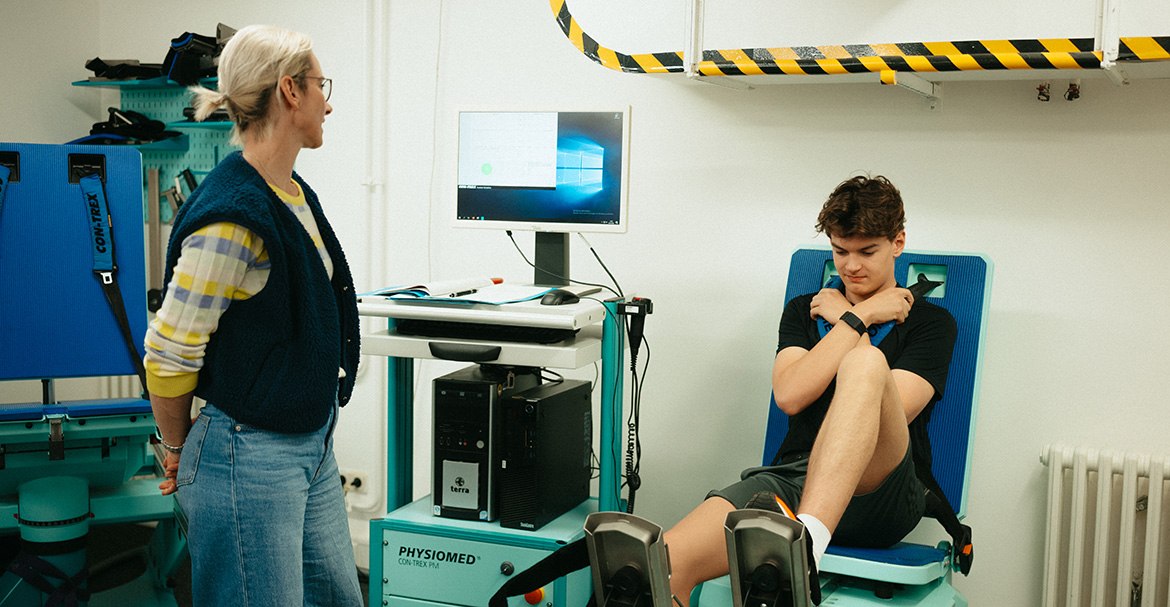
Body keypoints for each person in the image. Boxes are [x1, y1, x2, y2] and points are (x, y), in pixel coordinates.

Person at [143, 25, 363, 606]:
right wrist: (175, 447)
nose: (328, 103)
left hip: (310, 444)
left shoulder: (290, 191)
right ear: (290, 91)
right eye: (321, 86)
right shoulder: (232, 217)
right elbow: (168, 350)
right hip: (248, 454)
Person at [662, 175, 957, 605]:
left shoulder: (933, 324)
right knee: (665, 565)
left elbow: (886, 414)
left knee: (866, 363)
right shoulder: (806, 310)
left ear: (898, 243)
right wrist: (858, 318)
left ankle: (807, 548)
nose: (851, 266)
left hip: (882, 492)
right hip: (795, 480)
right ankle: (802, 543)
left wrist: (851, 321)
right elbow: (790, 395)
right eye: (840, 251)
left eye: (867, 252)